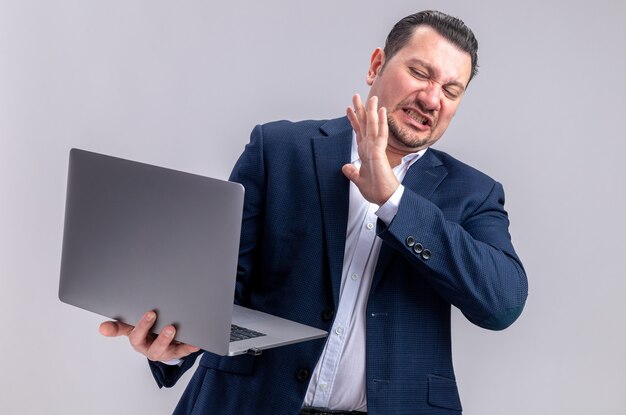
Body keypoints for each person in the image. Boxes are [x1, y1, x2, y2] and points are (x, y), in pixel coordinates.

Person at [99, 10, 528, 415]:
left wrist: (394, 200)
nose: (432, 98)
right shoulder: (278, 149)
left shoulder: (473, 192)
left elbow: (502, 304)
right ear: (377, 64)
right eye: (420, 73)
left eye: (451, 90)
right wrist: (175, 339)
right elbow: (222, 284)